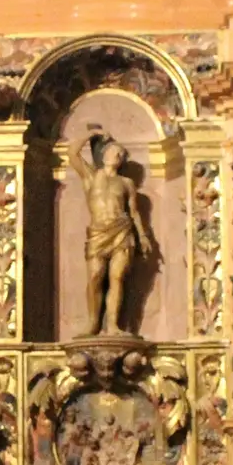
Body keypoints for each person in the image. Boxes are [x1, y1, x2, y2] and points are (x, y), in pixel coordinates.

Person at [69, 127, 151, 336]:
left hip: (122, 232)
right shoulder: (91, 176)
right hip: (98, 232)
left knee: (117, 277)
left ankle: (113, 325)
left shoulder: (126, 183)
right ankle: (93, 322)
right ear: (104, 155)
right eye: (115, 151)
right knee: (95, 276)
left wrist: (142, 236)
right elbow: (72, 154)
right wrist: (91, 134)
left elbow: (133, 212)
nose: (118, 155)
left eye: (122, 154)